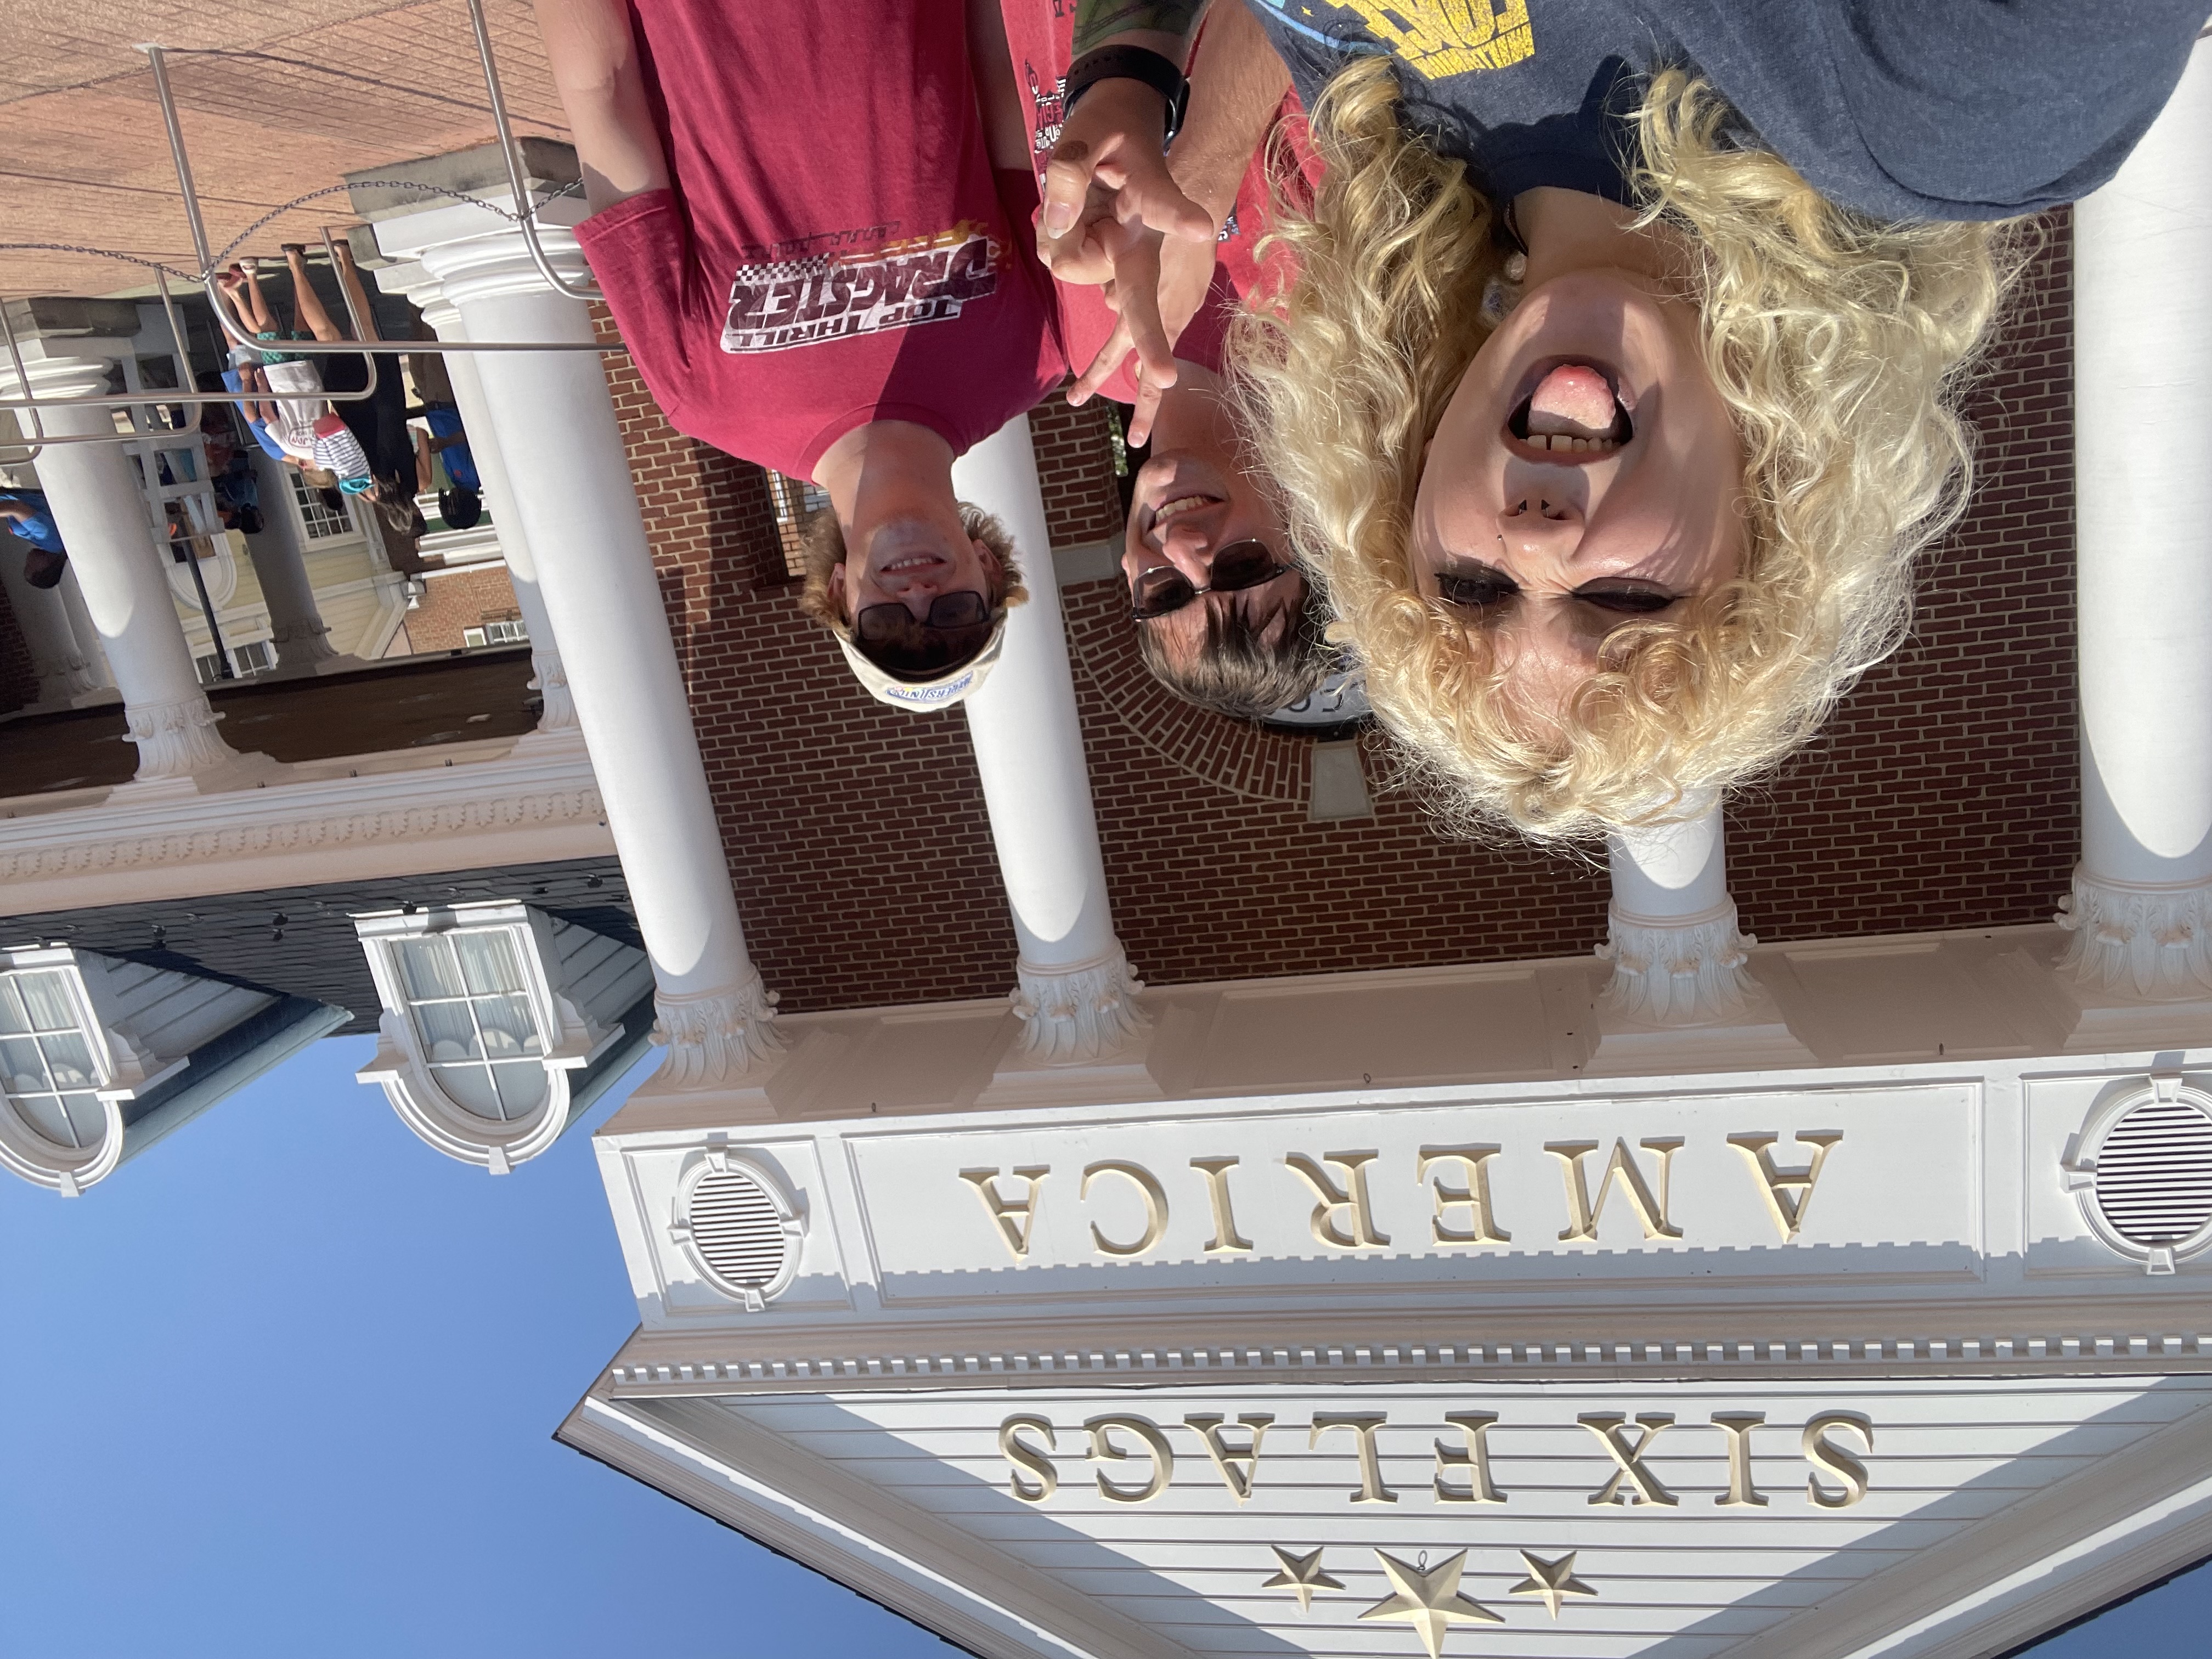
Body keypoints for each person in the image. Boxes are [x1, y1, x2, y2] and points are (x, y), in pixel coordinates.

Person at [1050, 0, 2209, 840]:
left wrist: (1133, 65)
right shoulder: (1950, 122)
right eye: (1625, 598)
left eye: (1475, 587)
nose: (1543, 540)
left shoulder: (1385, 112)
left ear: (1402, 501)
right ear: (1769, 523)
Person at [532, 0, 1118, 710]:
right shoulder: (1039, 351)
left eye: (887, 622)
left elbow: (606, 98)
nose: (920, 597)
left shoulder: (705, 399)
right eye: (957, 614)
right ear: (989, 571)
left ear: (839, 593)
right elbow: (1000, 75)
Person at [1006, 0, 1330, 719]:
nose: (1184, 548)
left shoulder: (1086, 351)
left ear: (1130, 579)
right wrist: (1199, 187)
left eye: (1165, 593)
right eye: (1242, 565)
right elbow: (1304, 18)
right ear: (1308, 535)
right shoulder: (1332, 312)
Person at [0, 488, 67, 589]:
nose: (27, 560)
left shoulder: (47, 544)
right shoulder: (51, 541)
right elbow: (16, 508)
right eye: (29, 566)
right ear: (43, 567)